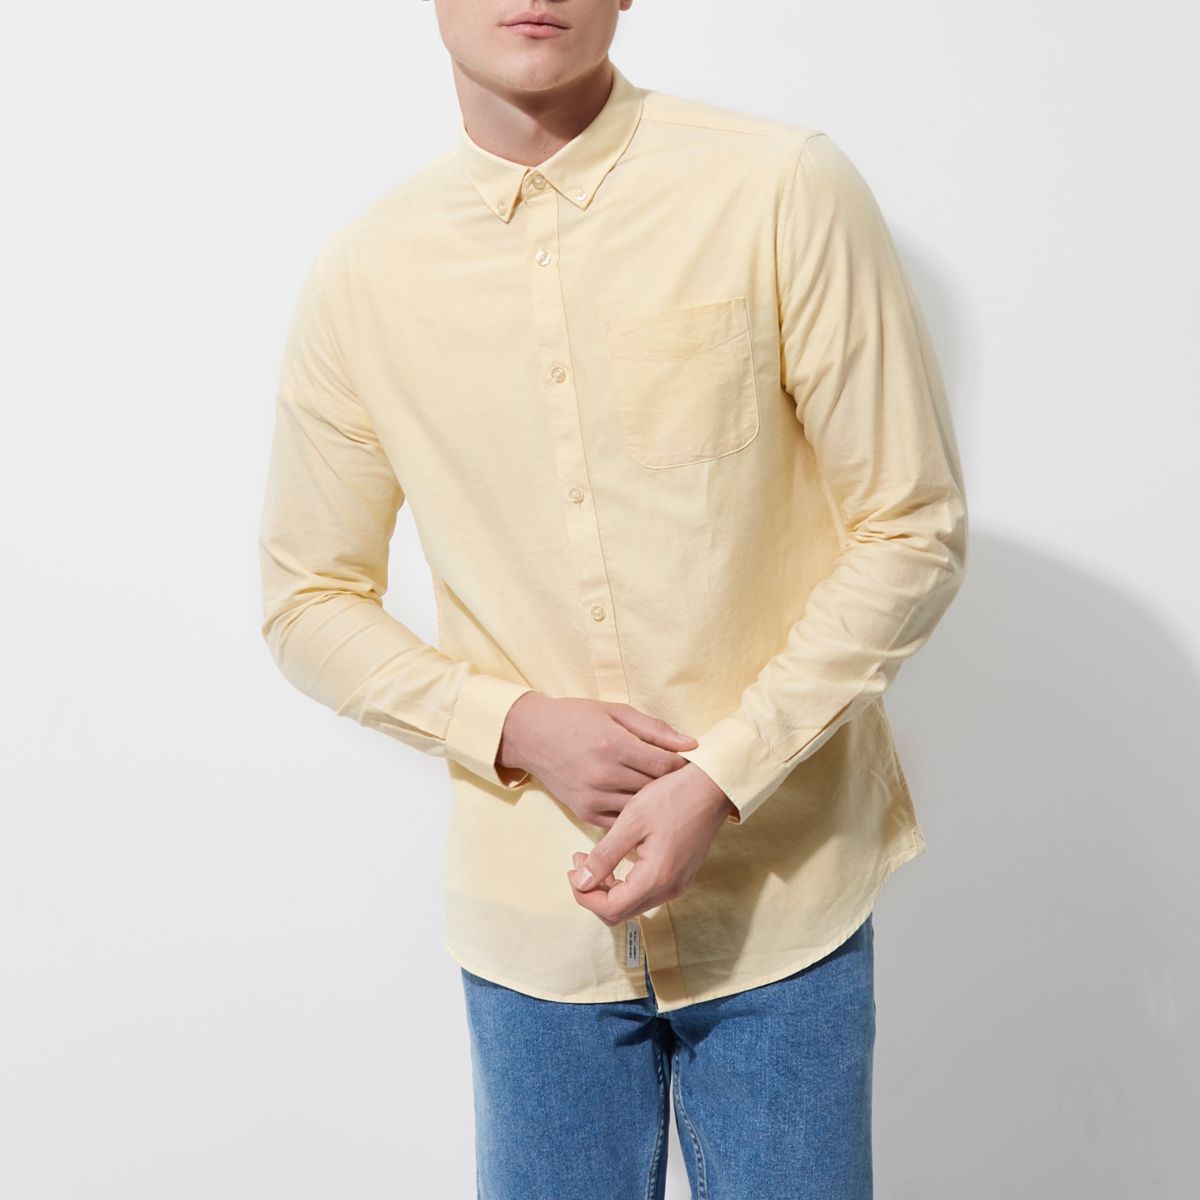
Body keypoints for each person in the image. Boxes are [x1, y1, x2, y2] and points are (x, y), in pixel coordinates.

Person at [258, 2, 968, 1196]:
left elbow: (912, 527)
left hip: (782, 902)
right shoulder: (363, 278)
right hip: (535, 922)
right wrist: (516, 727)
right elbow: (306, 599)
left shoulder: (779, 188)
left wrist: (723, 775)